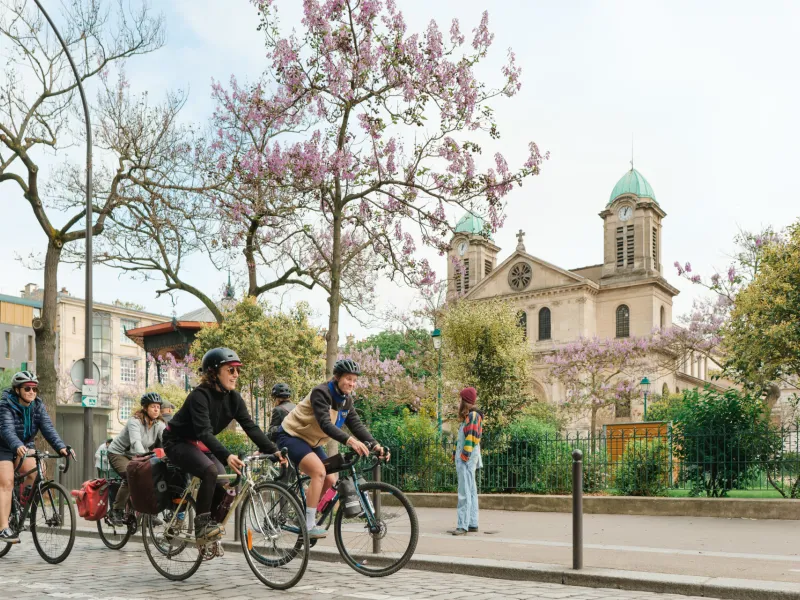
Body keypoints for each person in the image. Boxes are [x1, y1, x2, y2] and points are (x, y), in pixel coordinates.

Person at [162, 347, 286, 543]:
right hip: (177, 441)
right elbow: (204, 432)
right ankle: (201, 527)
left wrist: (274, 450)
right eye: (230, 370)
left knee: (224, 483)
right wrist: (226, 456)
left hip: (202, 445)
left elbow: (250, 427)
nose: (236, 375)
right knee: (210, 471)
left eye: (238, 370)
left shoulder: (234, 398)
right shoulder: (199, 396)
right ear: (213, 372)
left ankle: (212, 527)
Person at [277, 358, 389, 539]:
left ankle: (304, 510)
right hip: (291, 436)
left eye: (354, 380)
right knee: (319, 472)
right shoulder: (321, 393)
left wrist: (376, 445)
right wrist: (350, 441)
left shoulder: (346, 400)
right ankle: (309, 523)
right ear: (337, 377)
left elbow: (357, 425)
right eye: (348, 379)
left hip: (312, 442)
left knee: (330, 480)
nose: (351, 383)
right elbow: (325, 424)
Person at [0, 371, 72, 544]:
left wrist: (61, 447)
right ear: (17, 390)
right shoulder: (5, 405)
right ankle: (3, 527)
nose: (32, 392)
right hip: (3, 446)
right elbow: (6, 429)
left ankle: (22, 507)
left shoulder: (37, 406)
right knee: (6, 482)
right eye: (27, 388)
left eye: (35, 388)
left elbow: (48, 428)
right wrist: (17, 445)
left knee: (38, 471)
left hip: (24, 445)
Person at [106, 392, 167, 523]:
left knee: (151, 478)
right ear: (145, 408)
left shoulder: (160, 424)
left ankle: (149, 513)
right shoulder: (135, 421)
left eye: (158, 407)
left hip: (139, 456)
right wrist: (147, 457)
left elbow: (167, 441)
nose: (156, 409)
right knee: (130, 476)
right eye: (153, 406)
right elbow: (136, 442)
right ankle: (116, 510)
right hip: (119, 453)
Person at [447, 387, 483, 536]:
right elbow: (463, 438)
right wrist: (456, 452)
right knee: (471, 491)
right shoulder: (470, 416)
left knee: (464, 492)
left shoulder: (473, 416)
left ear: (465, 401)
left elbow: (472, 437)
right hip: (466, 458)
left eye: (460, 399)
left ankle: (462, 525)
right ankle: (472, 522)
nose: (458, 402)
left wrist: (463, 455)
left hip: (466, 460)